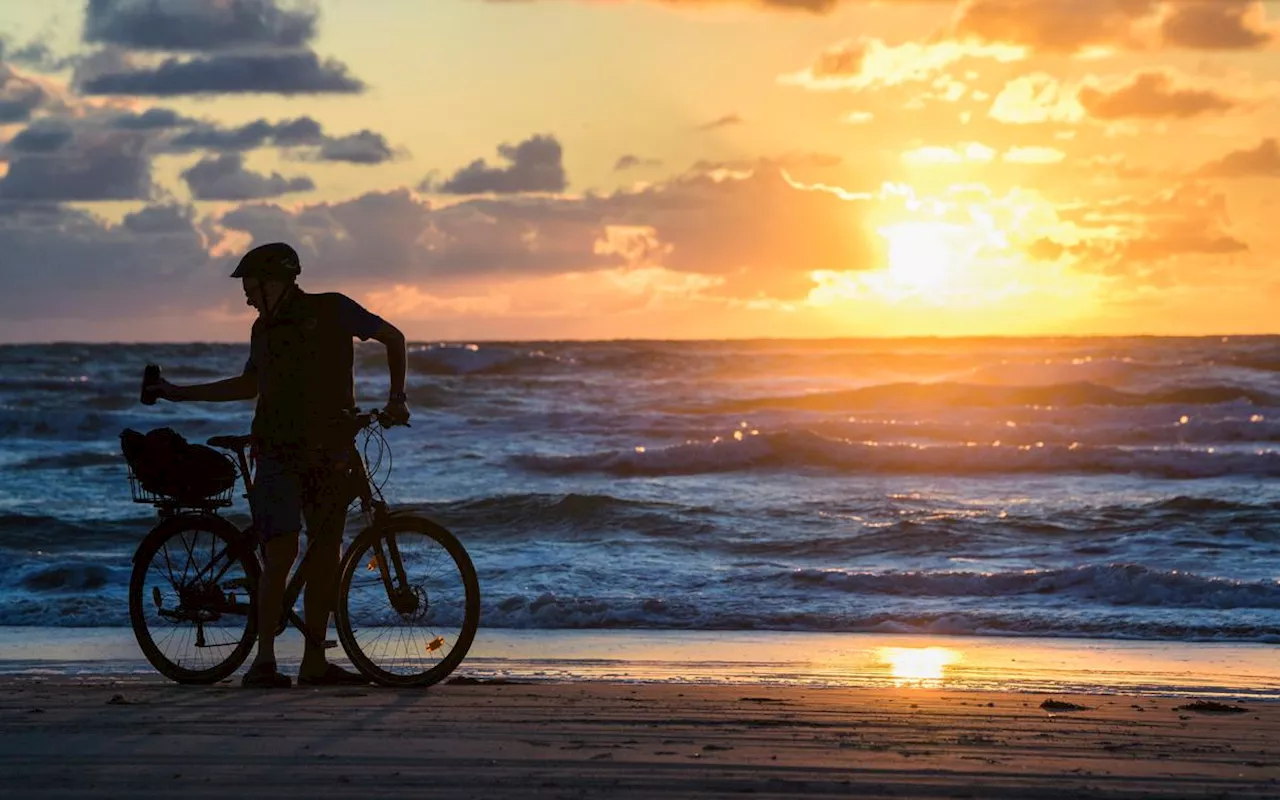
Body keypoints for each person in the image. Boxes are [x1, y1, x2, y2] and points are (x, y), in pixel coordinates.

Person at [145, 242, 410, 688]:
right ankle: (262, 662)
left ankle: (313, 663)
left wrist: (396, 398)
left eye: (250, 285)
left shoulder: (333, 309)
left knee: (325, 554)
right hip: (276, 453)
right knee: (282, 549)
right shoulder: (261, 329)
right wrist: (178, 392)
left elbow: (394, 338)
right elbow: (249, 385)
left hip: (331, 451)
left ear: (276, 281)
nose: (246, 295)